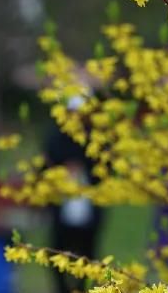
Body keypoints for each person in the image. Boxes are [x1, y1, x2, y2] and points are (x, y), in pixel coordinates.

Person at [45, 95, 104, 293]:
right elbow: (47, 165)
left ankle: (84, 288)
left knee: (88, 251)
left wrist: (83, 170)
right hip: (62, 202)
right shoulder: (56, 137)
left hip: (89, 201)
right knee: (59, 249)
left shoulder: (94, 137)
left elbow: (103, 167)